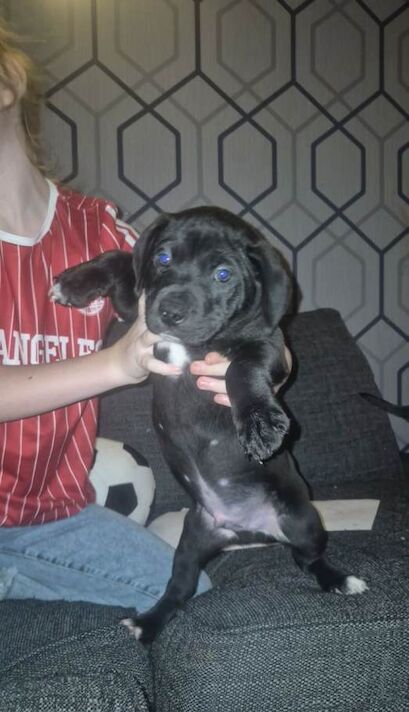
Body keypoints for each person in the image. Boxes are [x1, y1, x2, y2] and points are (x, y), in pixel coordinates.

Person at [0, 20, 291, 609]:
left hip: (52, 518)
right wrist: (115, 364)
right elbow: (128, 356)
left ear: (7, 80)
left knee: (193, 602)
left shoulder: (99, 229)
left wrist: (267, 366)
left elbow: (219, 319)